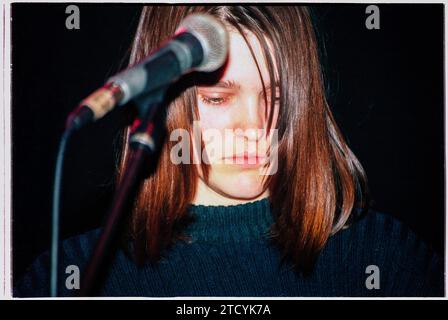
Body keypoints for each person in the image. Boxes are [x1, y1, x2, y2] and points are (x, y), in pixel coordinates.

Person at [15, 5, 444, 297]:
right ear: (163, 98)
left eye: (275, 97)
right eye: (218, 99)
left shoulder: (384, 259)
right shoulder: (69, 276)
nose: (254, 127)